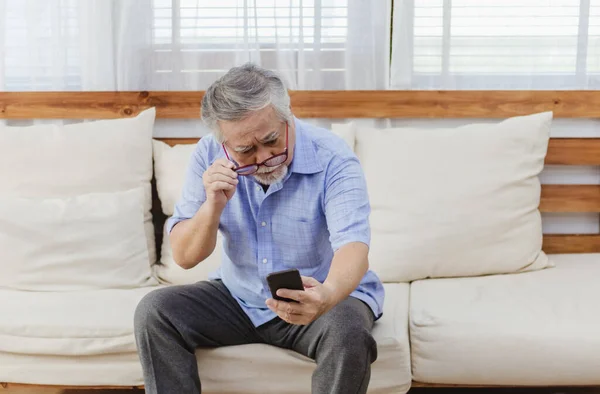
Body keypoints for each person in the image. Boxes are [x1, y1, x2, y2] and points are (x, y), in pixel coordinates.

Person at [134, 63, 385, 394]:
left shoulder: (333, 158)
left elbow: (353, 246)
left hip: (320, 294)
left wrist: (324, 297)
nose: (266, 157)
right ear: (223, 143)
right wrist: (213, 206)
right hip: (240, 297)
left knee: (348, 333)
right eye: (245, 150)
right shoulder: (206, 156)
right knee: (155, 311)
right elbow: (184, 256)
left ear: (287, 117)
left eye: (271, 140)